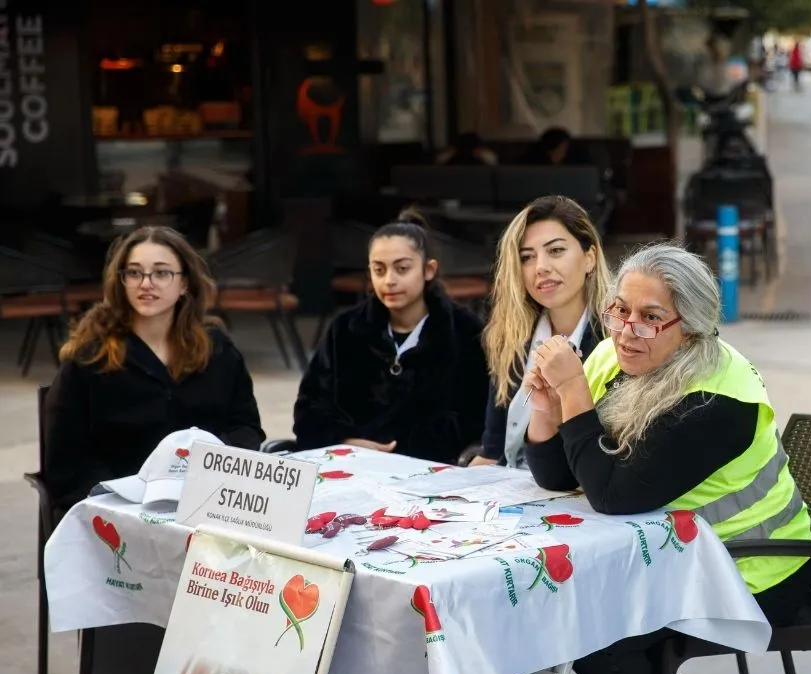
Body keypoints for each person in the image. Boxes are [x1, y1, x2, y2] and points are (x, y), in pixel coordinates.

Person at [522, 244, 811, 674]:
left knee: (593, 635)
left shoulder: (716, 401)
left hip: (749, 571)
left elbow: (614, 495)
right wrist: (546, 405)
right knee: (539, 604)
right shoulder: (614, 355)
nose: (625, 331)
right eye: (619, 310)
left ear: (690, 329)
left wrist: (573, 390)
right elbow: (559, 476)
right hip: (668, 557)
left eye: (650, 317)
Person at [44, 226, 265, 514]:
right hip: (118, 508)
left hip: (206, 500)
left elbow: (246, 427)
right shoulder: (90, 358)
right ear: (121, 282)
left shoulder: (217, 349)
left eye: (161, 273)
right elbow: (67, 459)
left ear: (184, 283)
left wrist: (211, 472)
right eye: (134, 273)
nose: (146, 283)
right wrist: (124, 501)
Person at [293, 209, 489, 464]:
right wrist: (345, 442)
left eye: (402, 268)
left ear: (428, 270)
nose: (389, 280)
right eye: (379, 270)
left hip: (435, 474)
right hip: (352, 467)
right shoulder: (345, 330)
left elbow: (481, 419)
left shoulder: (465, 332)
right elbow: (309, 409)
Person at [469, 195, 611, 468]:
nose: (541, 267)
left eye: (556, 250)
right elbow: (492, 451)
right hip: (510, 489)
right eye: (527, 257)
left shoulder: (617, 338)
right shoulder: (511, 335)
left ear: (590, 258)